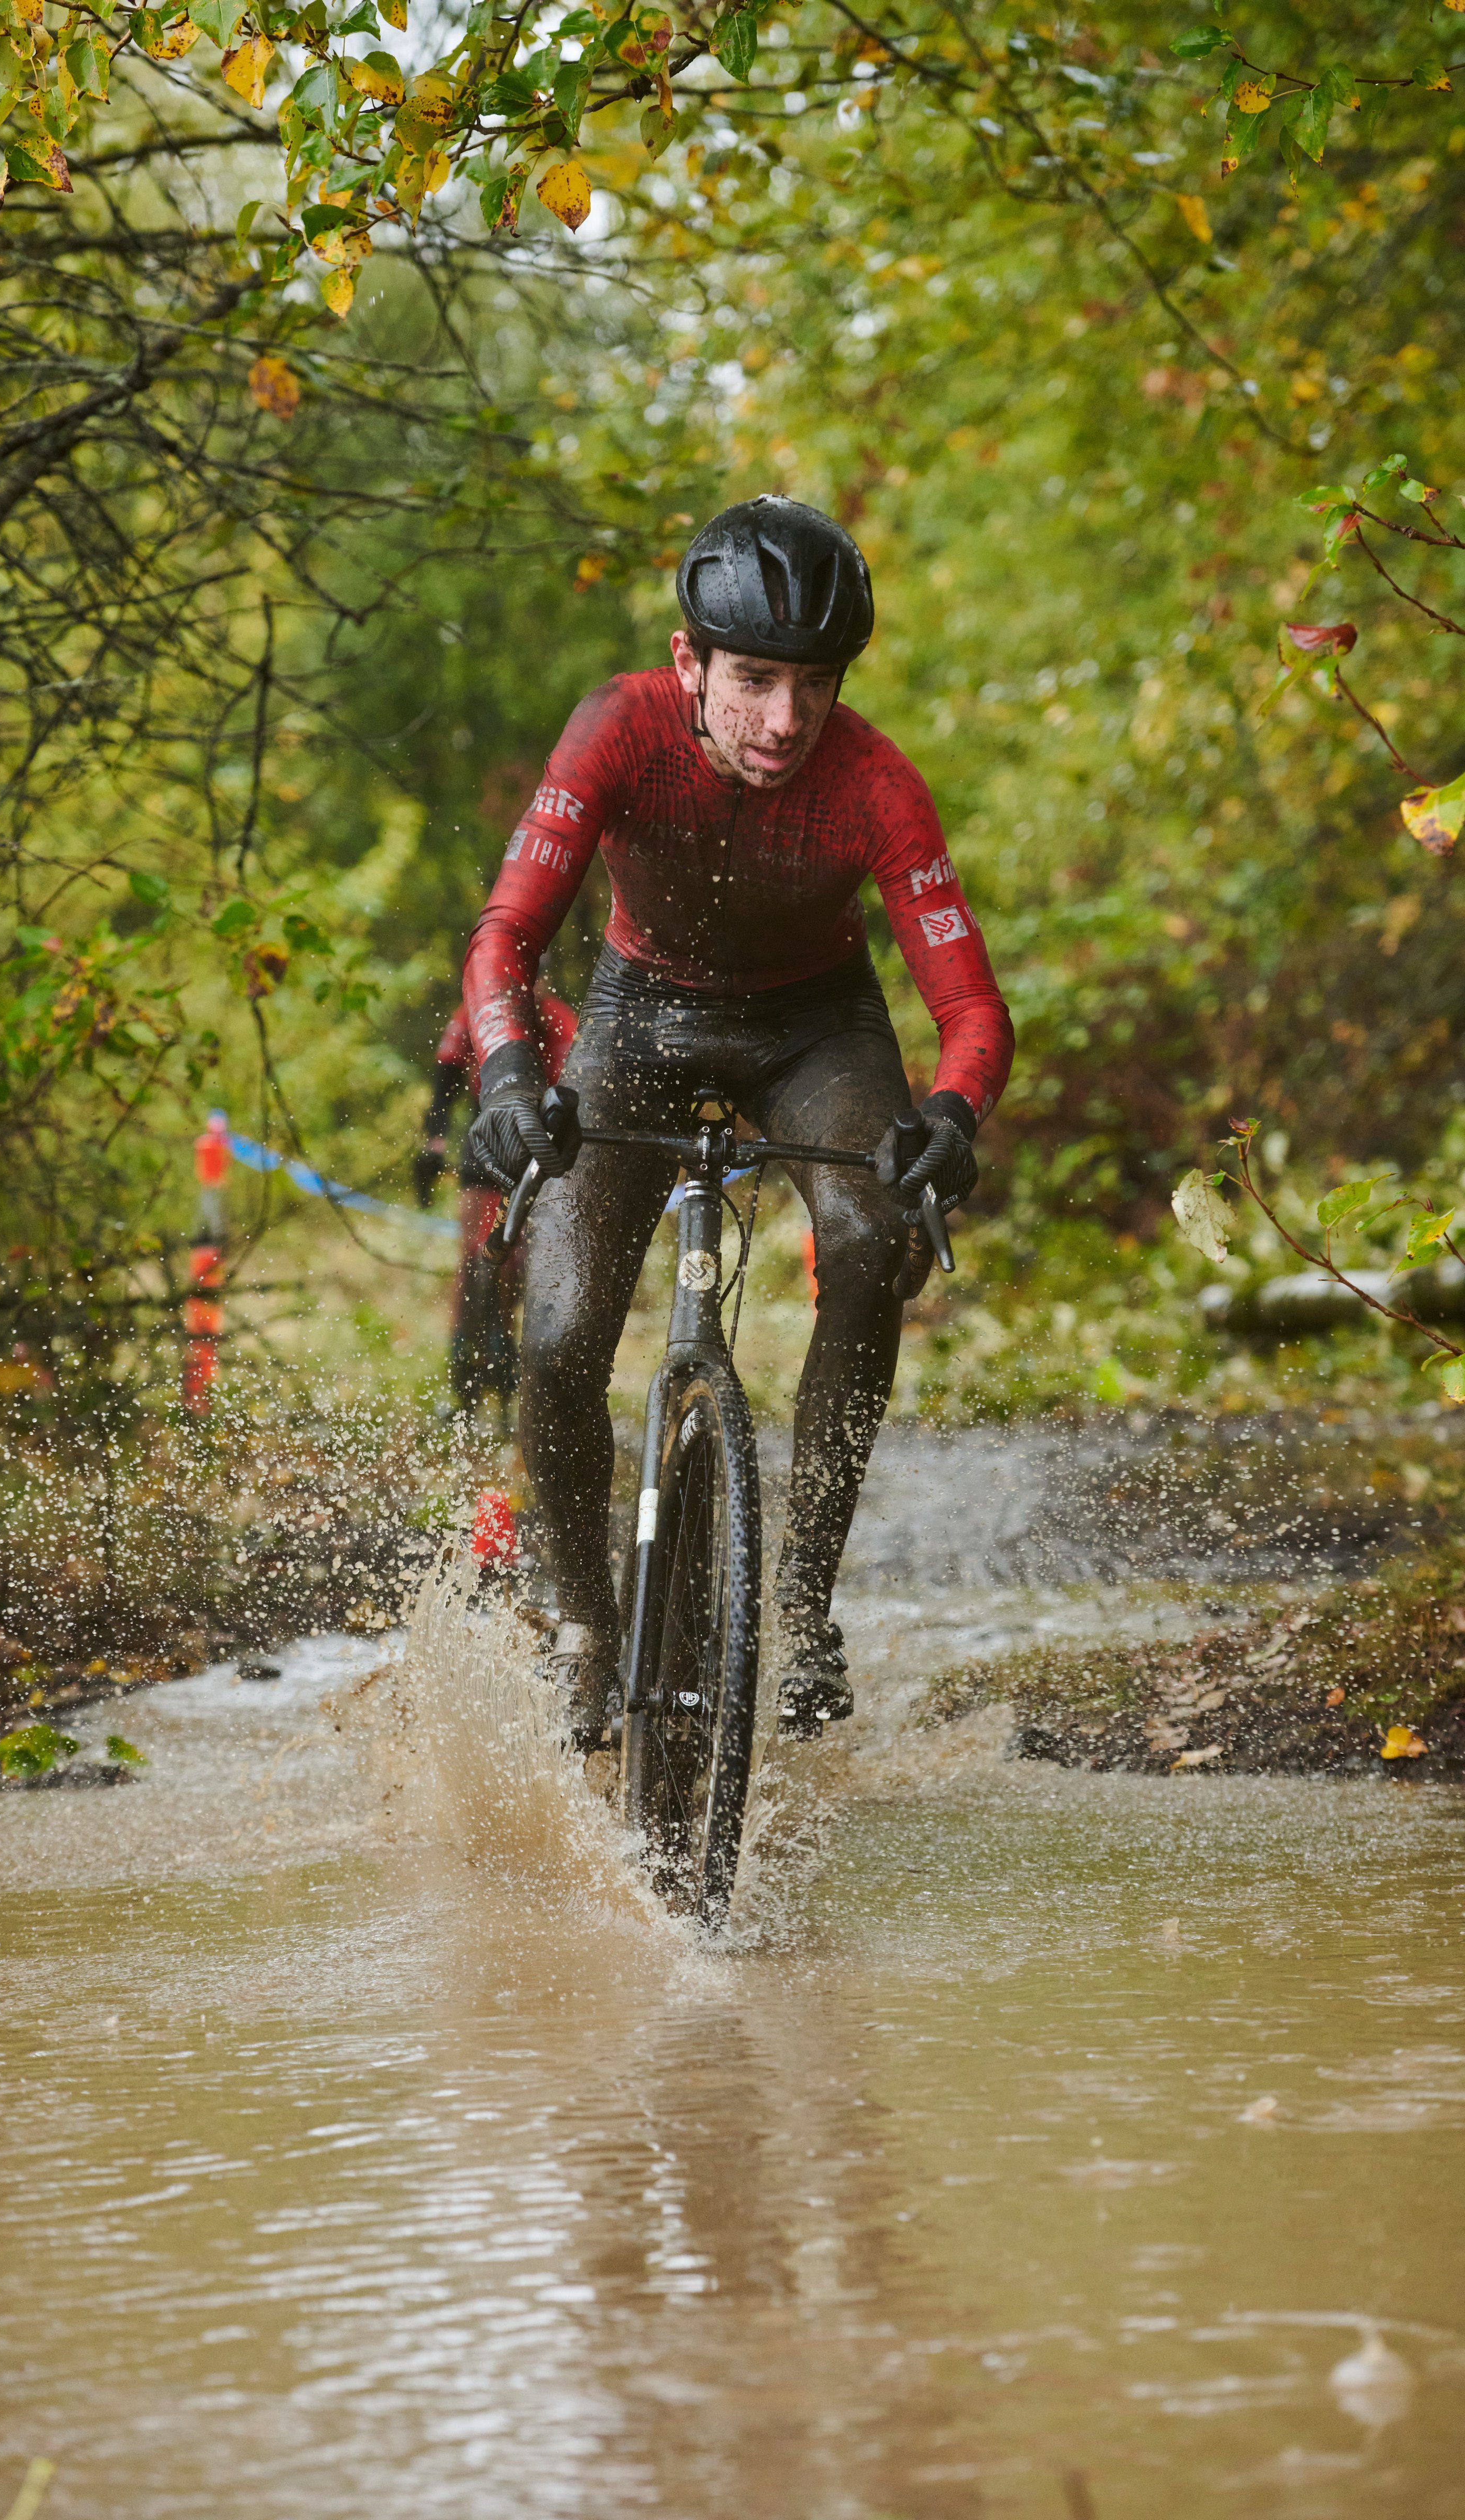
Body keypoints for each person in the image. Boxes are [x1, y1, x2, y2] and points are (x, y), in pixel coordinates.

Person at [460, 496, 1014, 1745]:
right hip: (639, 1015)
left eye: (814, 685)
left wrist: (950, 1113)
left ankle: (804, 1601)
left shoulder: (875, 782)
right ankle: (585, 1622)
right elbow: (505, 935)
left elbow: (971, 1005)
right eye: (755, 680)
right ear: (689, 661)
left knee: (872, 1236)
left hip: (814, 1027)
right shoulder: (618, 728)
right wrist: (507, 1078)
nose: (784, 720)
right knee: (558, 1335)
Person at [414, 981, 578, 1415]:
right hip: (487, 1125)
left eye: (535, 981)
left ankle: (508, 1362)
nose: (526, 988)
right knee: (474, 1256)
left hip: (543, 1133)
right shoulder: (476, 1011)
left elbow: (579, 1091)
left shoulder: (558, 1019)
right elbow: (445, 1083)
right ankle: (460, 1369)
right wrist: (432, 1144)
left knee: (518, 1262)